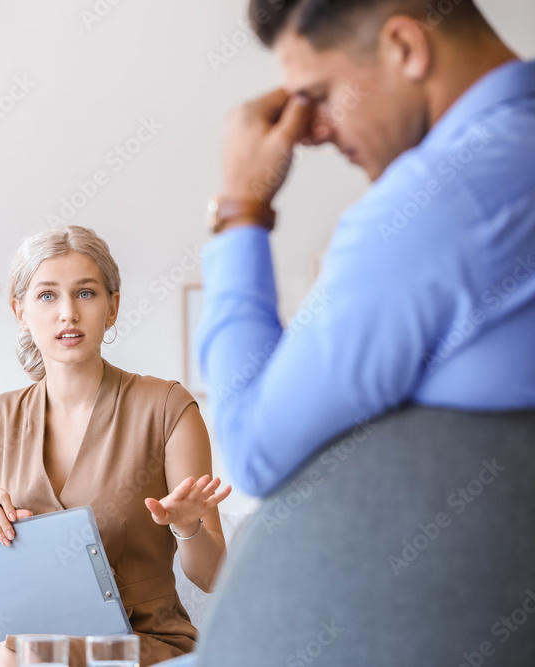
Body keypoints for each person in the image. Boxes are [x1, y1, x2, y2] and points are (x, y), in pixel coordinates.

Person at [197, 0, 535, 497]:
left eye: (320, 95)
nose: (314, 131)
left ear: (405, 48)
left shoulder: (436, 204)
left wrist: (242, 209)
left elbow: (252, 450)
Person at [0, 226, 231, 667]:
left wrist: (187, 527)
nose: (67, 313)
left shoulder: (167, 407)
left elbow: (214, 577)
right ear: (20, 310)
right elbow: (0, 567)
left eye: (86, 294)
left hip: (139, 638)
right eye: (47, 296)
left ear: (112, 307)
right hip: (28, 634)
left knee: (7, 661)